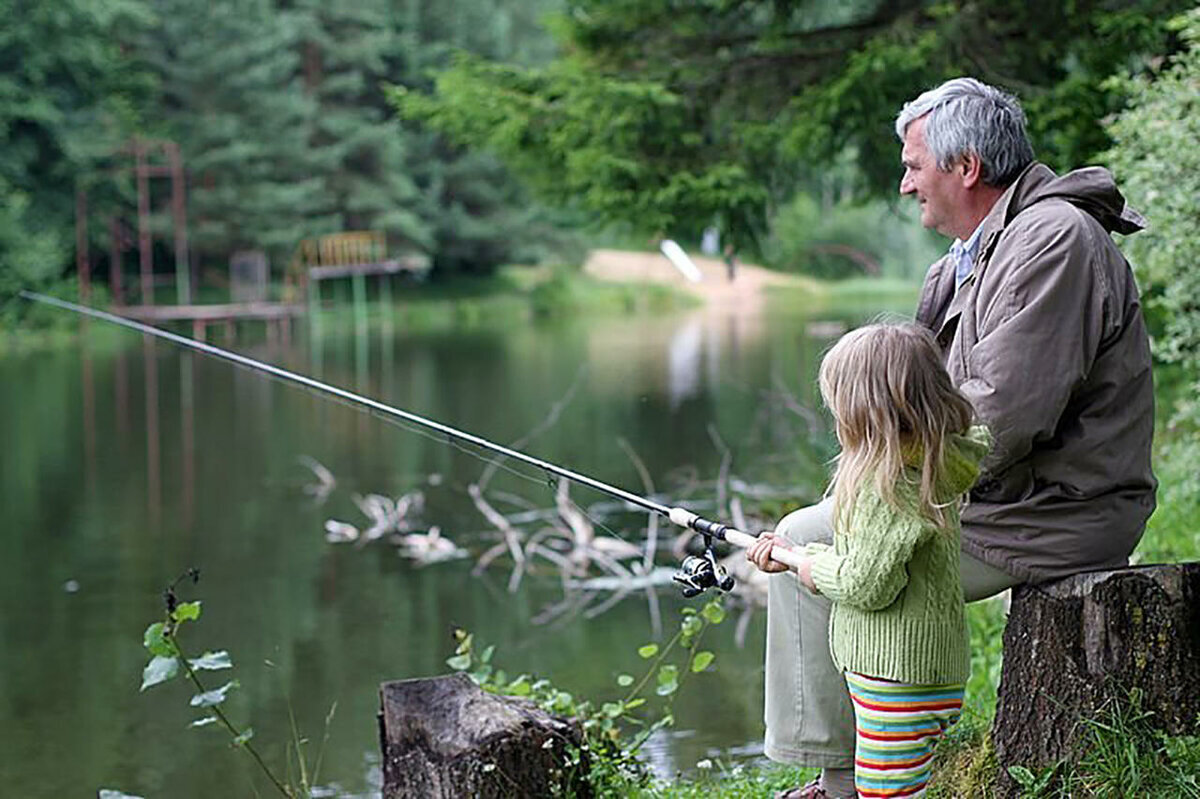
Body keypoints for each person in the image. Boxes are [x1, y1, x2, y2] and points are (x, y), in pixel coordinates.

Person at [754, 77, 1157, 799]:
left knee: (821, 546)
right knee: (818, 529)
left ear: (965, 166)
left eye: (914, 165)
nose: (905, 184)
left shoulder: (1053, 239)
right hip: (992, 497)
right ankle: (842, 769)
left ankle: (846, 781)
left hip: (1054, 513)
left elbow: (1001, 416)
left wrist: (880, 493)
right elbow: (914, 404)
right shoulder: (968, 257)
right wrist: (866, 483)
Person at [748, 322, 991, 798]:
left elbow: (867, 583)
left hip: (895, 677)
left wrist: (804, 565)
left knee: (888, 791)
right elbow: (875, 561)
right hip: (917, 670)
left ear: (864, 412)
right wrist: (802, 553)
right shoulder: (927, 463)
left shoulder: (890, 486)